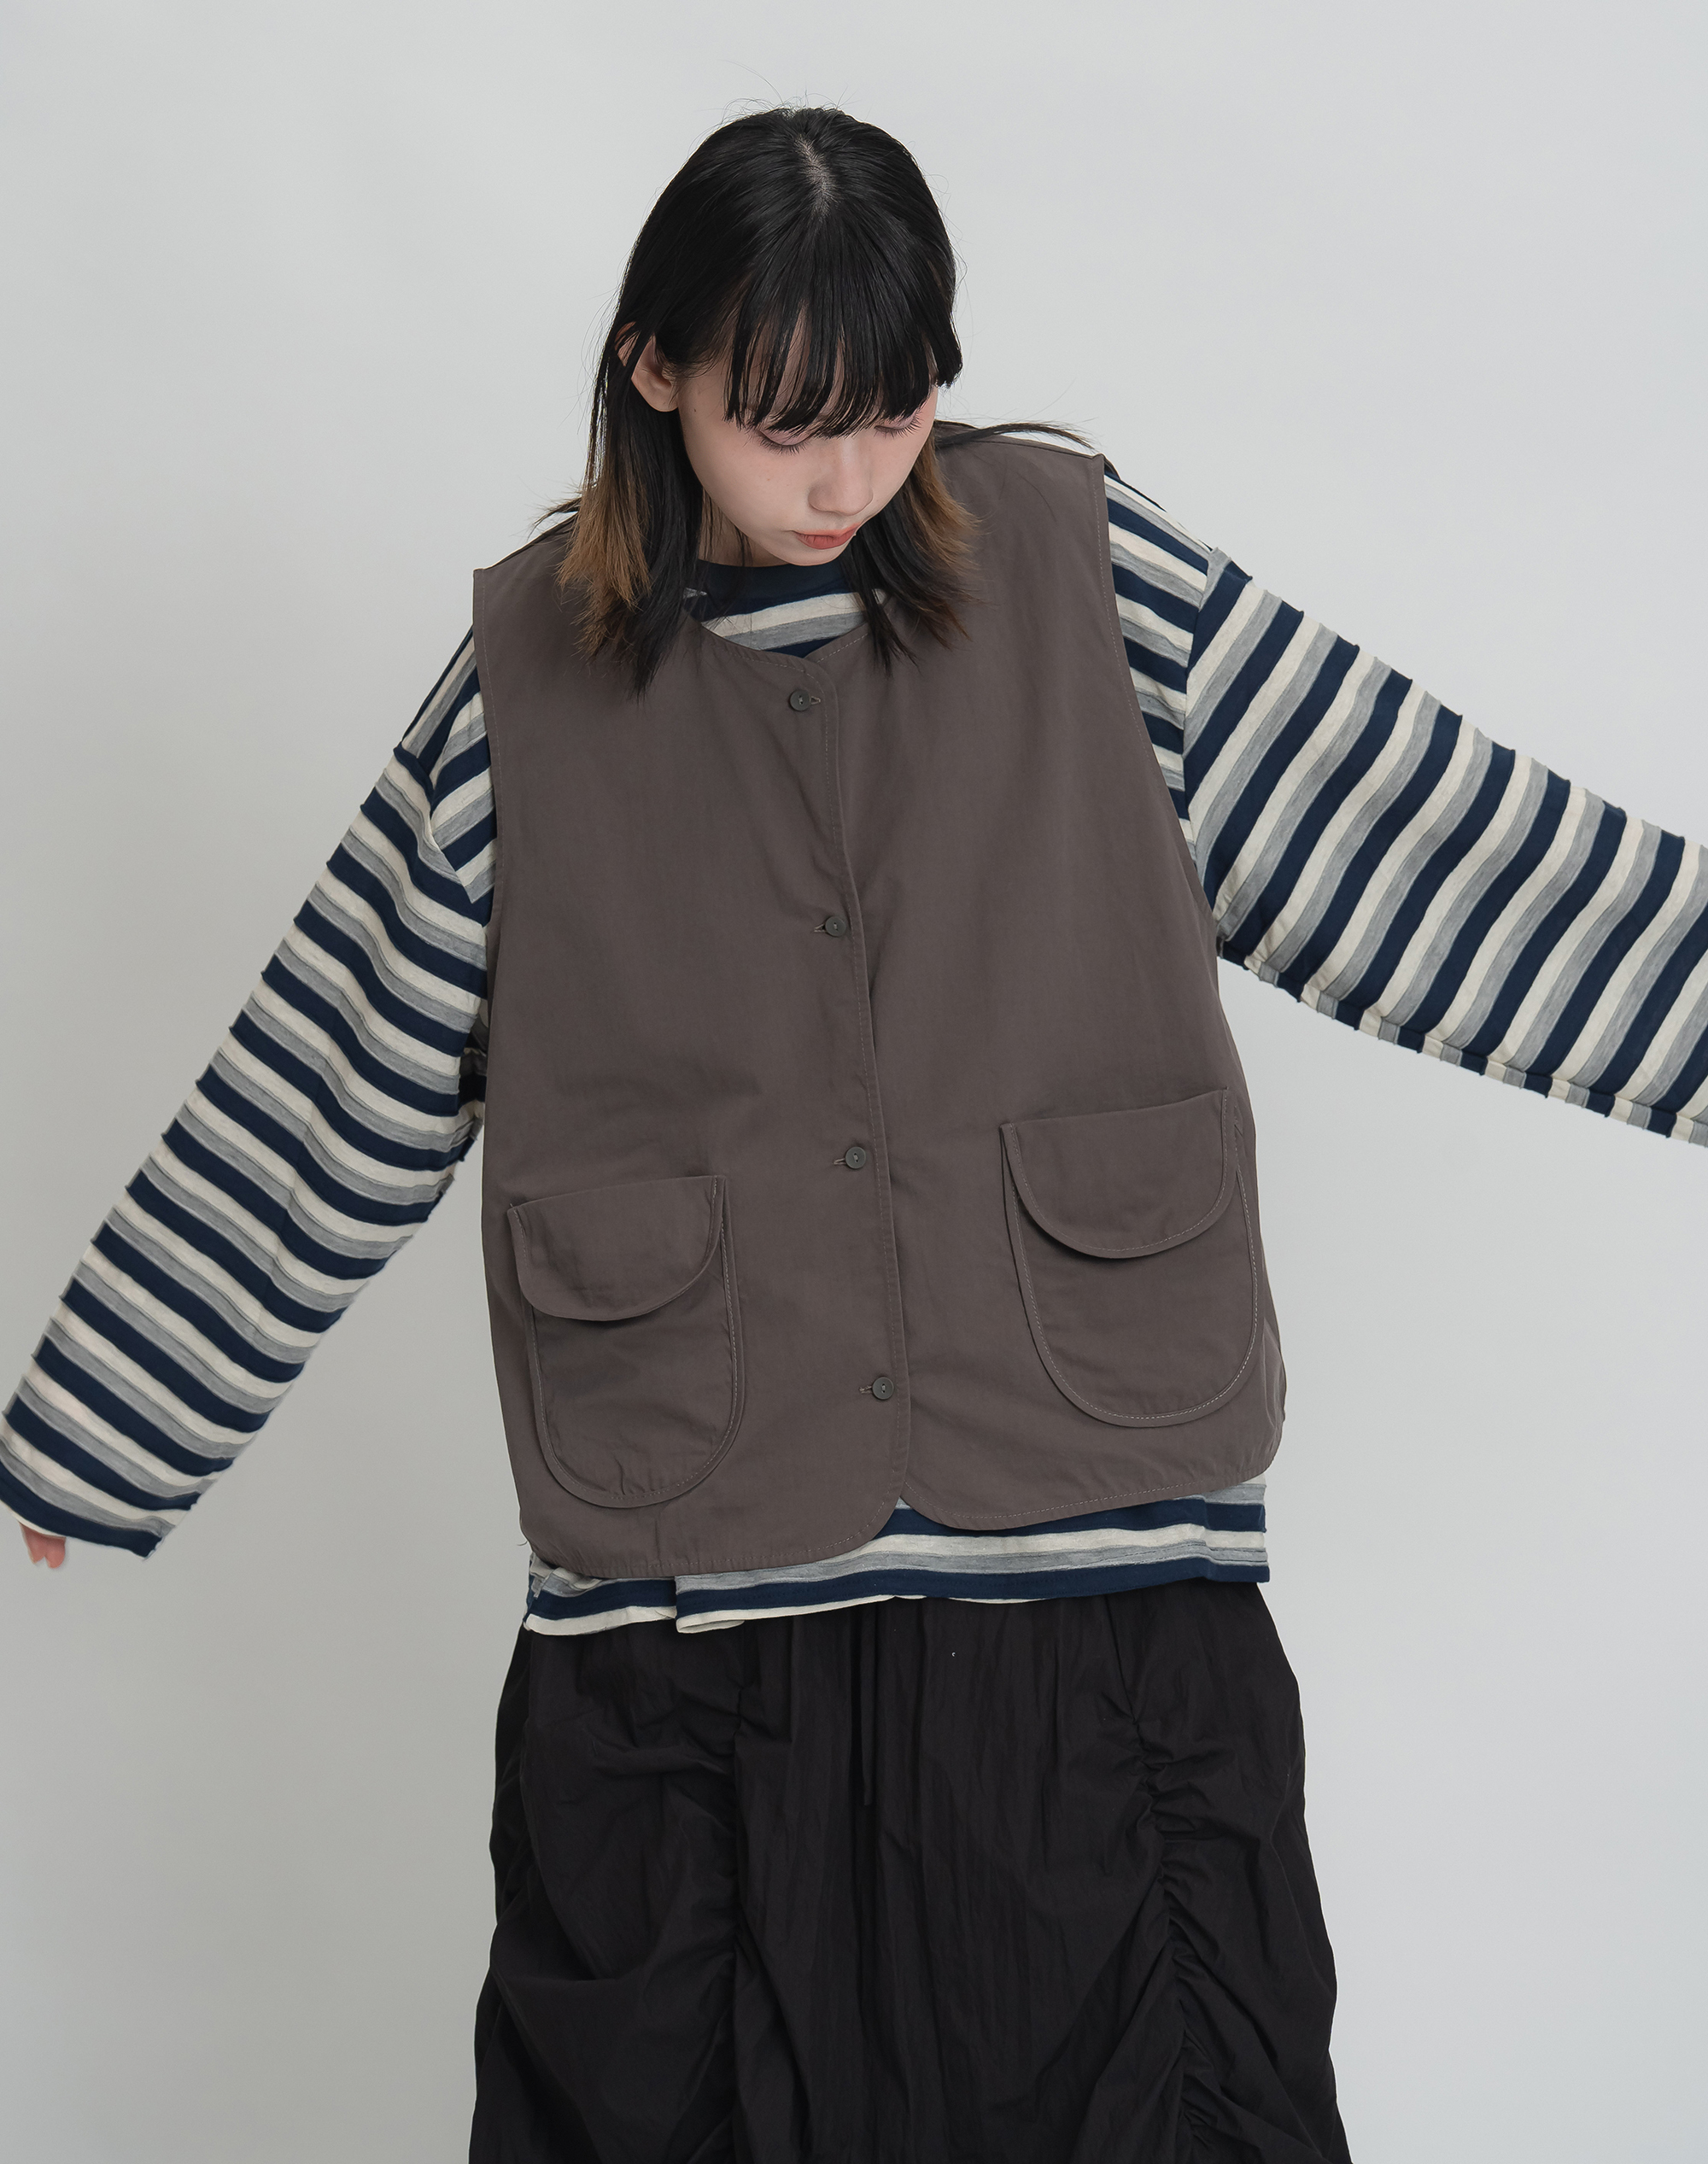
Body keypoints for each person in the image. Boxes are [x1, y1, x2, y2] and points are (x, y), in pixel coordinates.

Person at [5, 104, 1703, 2164]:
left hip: (1094, 1606)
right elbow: (333, 1064)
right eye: (786, 423)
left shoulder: (1085, 576)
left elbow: (1415, 836)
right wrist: (110, 1427)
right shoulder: (527, 685)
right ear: (652, 367)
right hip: (690, 1645)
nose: (845, 481)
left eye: (893, 416)